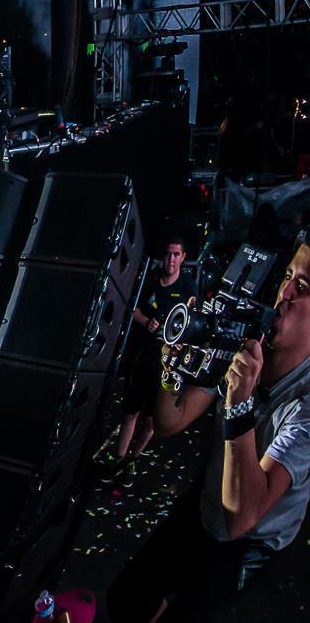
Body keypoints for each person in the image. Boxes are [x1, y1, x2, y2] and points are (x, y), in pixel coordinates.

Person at [110, 234, 310, 618]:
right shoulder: (247, 341)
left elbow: (243, 518)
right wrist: (173, 371)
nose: (284, 293)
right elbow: (170, 422)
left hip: (251, 538)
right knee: (127, 600)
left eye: (302, 288)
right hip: (210, 498)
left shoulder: (305, 405)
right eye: (287, 276)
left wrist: (239, 403)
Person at [109, 234, 198, 463]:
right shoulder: (150, 279)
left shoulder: (188, 286)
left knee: (151, 420)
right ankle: (119, 459)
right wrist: (147, 322)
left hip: (167, 362)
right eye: (168, 254)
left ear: (183, 257)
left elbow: (193, 320)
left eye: (176, 254)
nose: (171, 259)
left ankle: (133, 459)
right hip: (144, 355)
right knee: (131, 411)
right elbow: (134, 310)